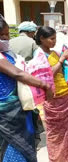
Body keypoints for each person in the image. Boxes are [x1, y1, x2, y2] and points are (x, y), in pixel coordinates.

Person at [0, 18, 53, 162]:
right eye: (2, 35)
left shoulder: (8, 54)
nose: (6, 39)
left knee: (26, 150)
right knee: (12, 150)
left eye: (7, 34)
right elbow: (17, 74)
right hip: (6, 116)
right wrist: (44, 85)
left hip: (21, 111)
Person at [35, 26, 68, 162]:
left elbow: (62, 71)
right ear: (42, 39)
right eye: (51, 38)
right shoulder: (39, 55)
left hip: (66, 94)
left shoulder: (52, 52)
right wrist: (61, 59)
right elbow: (48, 74)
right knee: (56, 133)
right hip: (54, 98)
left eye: (55, 38)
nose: (54, 41)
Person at [9, 21, 44, 150]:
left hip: (11, 81)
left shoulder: (10, 42)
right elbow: (39, 62)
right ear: (30, 32)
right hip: (27, 81)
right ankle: (32, 139)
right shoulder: (32, 43)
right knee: (30, 108)